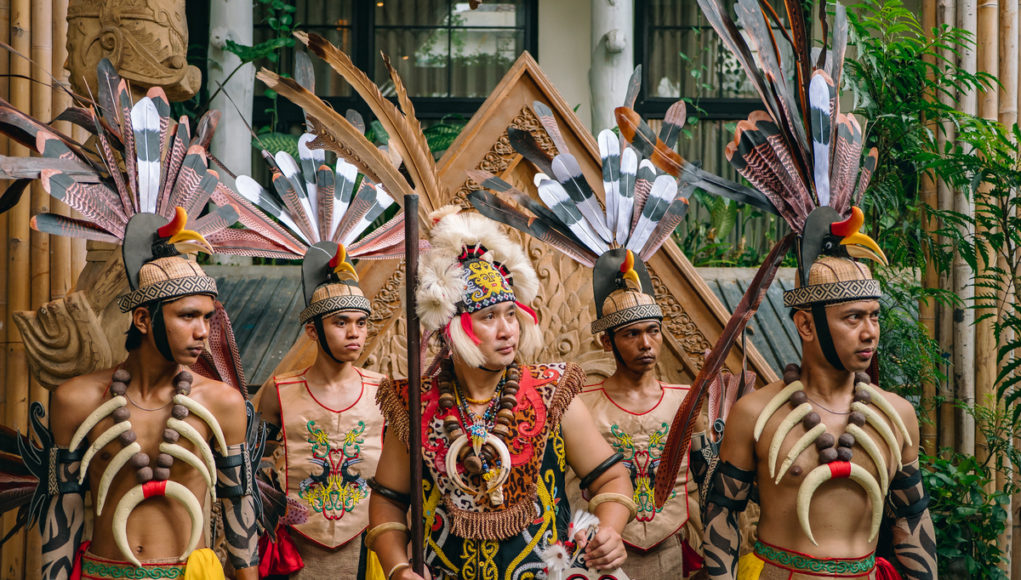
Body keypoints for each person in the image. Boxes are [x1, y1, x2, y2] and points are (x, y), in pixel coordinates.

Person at [367, 207, 635, 580]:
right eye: (489, 317)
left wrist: (609, 528)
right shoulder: (414, 404)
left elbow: (610, 478)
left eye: (511, 313)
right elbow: (388, 501)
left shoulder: (552, 392)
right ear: (452, 328)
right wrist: (397, 567)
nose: (508, 329)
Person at [42, 212, 261, 579]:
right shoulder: (75, 400)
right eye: (188, 316)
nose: (203, 332)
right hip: (104, 572)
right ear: (143, 319)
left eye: (208, 318)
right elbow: (62, 509)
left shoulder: (223, 403)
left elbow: (239, 502)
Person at [701, 254, 936, 580]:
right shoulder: (753, 414)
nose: (870, 333)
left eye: (875, 316)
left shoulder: (898, 415)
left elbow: (912, 517)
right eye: (853, 318)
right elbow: (721, 514)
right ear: (806, 325)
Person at [255, 234, 402, 578]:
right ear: (312, 330)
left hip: (368, 546)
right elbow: (253, 470)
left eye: (361, 323)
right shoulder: (280, 392)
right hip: (298, 548)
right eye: (341, 323)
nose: (355, 333)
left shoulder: (384, 391)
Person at [572, 250, 704, 579]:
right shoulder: (580, 406)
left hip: (673, 549)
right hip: (600, 552)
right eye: (632, 334)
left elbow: (707, 483)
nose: (646, 343)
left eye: (653, 330)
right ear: (607, 341)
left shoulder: (687, 404)